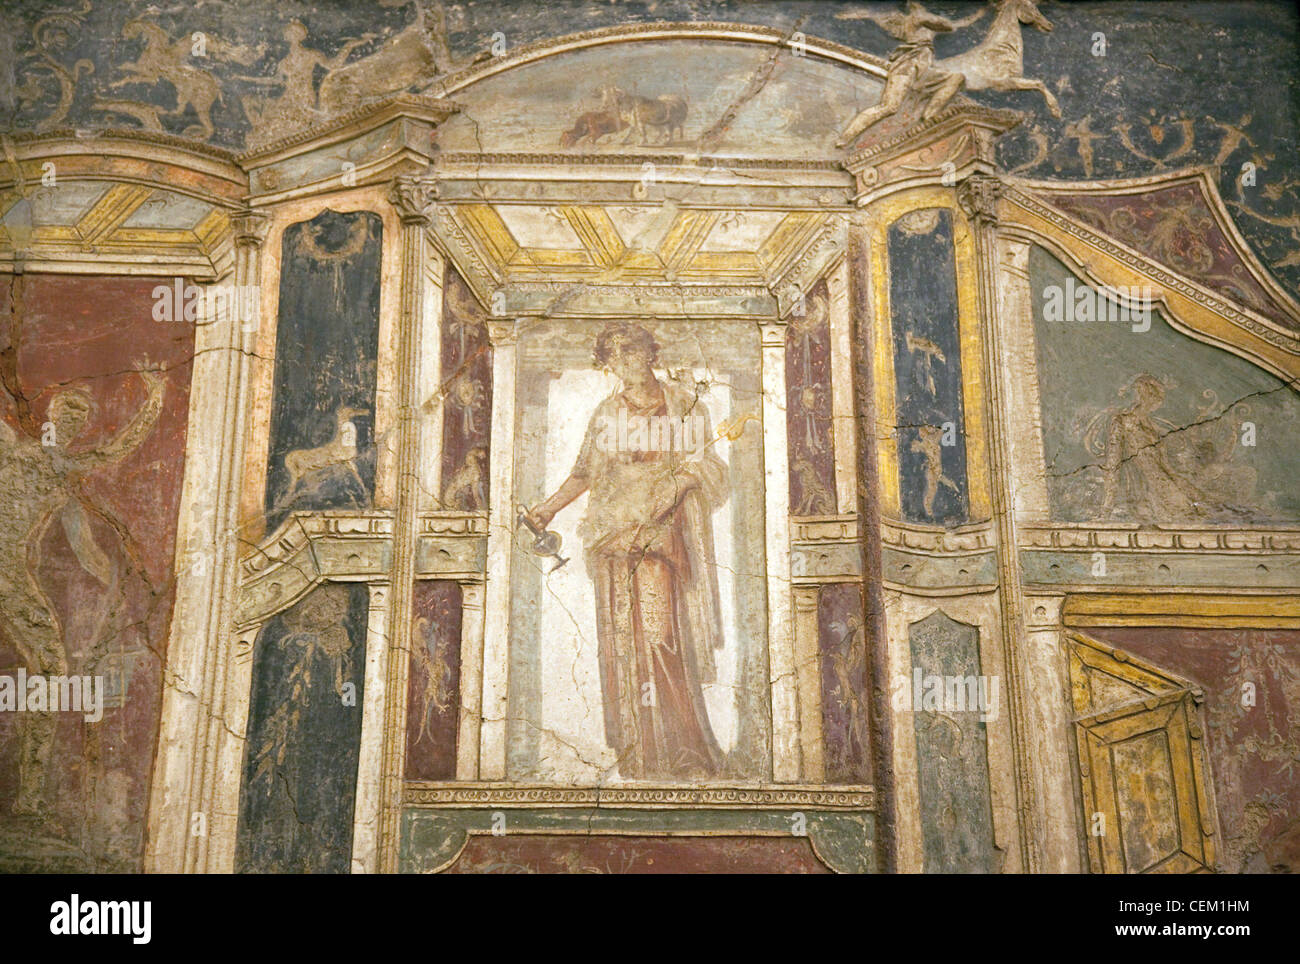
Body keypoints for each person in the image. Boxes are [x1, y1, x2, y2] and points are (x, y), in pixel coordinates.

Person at [525, 323, 728, 780]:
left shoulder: (683, 404)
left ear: (649, 354)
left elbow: (710, 465)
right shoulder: (605, 414)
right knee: (622, 644)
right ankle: (641, 755)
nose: (625, 363)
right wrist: (547, 510)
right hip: (613, 538)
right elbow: (584, 474)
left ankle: (686, 752)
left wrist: (681, 480)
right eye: (614, 357)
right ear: (607, 365)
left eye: (632, 352)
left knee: (661, 639)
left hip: (659, 536)